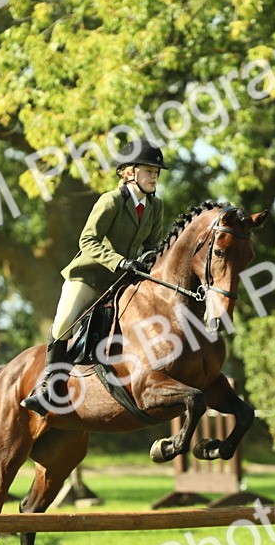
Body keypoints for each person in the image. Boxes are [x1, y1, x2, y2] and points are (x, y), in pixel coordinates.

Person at [20, 139, 171, 414]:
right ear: (129, 172)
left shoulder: (155, 206)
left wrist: (149, 263)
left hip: (121, 281)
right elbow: (87, 241)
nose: (154, 176)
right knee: (64, 323)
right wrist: (120, 261)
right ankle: (47, 388)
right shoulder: (111, 201)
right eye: (149, 171)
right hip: (88, 277)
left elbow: (153, 247)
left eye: (156, 172)